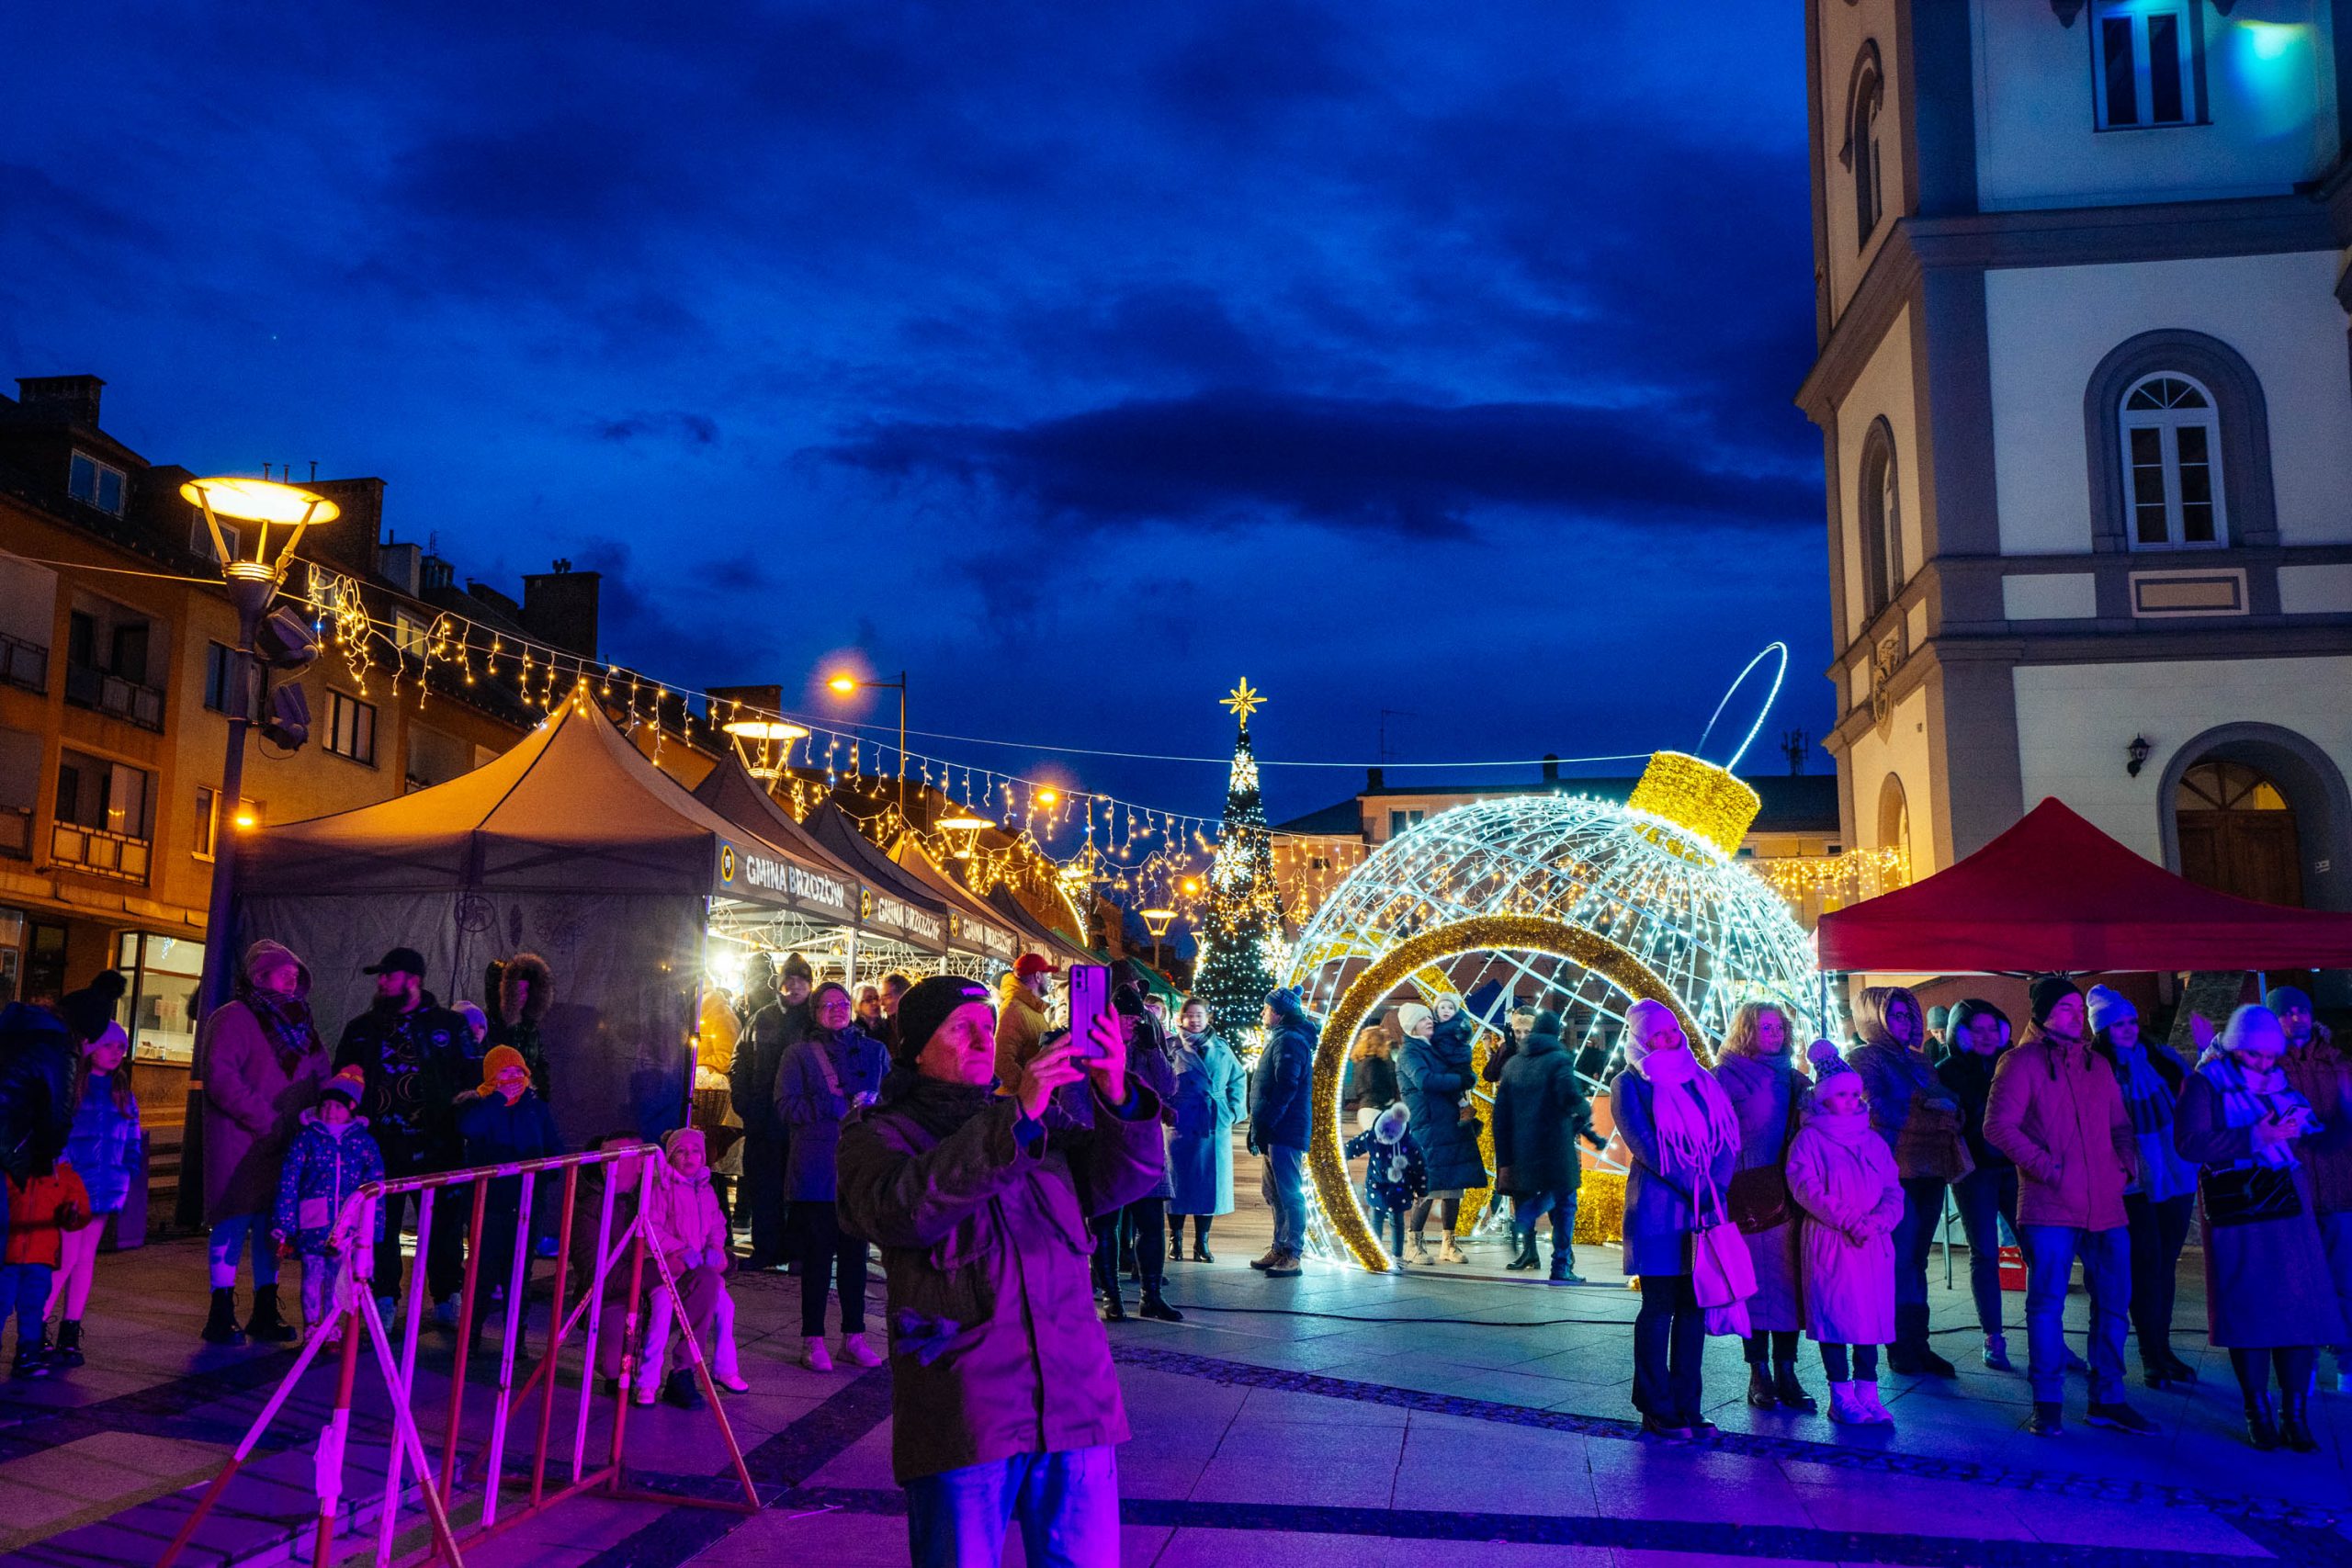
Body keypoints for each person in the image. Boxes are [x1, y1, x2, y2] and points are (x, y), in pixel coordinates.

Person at [835, 974, 1164, 1567]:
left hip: (1077, 1398)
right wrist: (1017, 1118)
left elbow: (1126, 1178)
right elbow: (902, 1209)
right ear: (914, 1047)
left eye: (987, 1027)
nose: (981, 1038)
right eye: (961, 1028)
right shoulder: (879, 1133)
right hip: (967, 1408)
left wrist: (1117, 1093)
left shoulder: (1036, 1123)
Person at [1984, 976, 2156, 1438]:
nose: (2074, 1015)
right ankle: (2048, 1400)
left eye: (2078, 1008)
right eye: (2064, 1007)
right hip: (2049, 1205)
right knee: (2046, 1304)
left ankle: (2108, 1397)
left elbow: (2119, 1123)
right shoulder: (2019, 1063)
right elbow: (1999, 1127)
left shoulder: (2094, 1064)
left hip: (2106, 1202)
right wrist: (2049, 1169)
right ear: (2041, 1013)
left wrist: (2125, 1163)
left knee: (2115, 1302)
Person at [2175, 1004, 2346, 1452]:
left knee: (2298, 1312)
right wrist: (2256, 1137)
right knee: (2248, 1313)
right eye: (2254, 1055)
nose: (2264, 1064)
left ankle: (2295, 1414)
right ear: (2235, 1046)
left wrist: (2335, 1120)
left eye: (2271, 1056)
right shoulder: (2204, 1084)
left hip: (2289, 1207)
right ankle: (2258, 1411)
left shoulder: (2280, 1082)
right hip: (2240, 1211)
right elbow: (2189, 1143)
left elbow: (2310, 1135)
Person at [1611, 998, 1739, 1441]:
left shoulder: (1702, 1080)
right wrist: (1695, 1185)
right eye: (1657, 1035)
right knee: (1660, 1306)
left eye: (1671, 1032)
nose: (1667, 1040)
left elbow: (1728, 1137)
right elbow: (1645, 1144)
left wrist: (1715, 1187)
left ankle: (1688, 1404)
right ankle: (1656, 1404)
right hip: (1658, 1211)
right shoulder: (1628, 1084)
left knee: (1693, 1308)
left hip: (1704, 1211)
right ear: (1641, 1041)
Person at [204, 940, 334, 1346]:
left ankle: (264, 1308)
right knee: (232, 1222)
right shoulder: (234, 1018)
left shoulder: (302, 1027)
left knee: (271, 1229)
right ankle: (221, 1309)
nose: (293, 978)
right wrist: (267, 1119)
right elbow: (221, 1076)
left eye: (297, 973)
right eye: (284, 972)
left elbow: (320, 1076)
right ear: (260, 976)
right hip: (241, 1142)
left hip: (286, 1145)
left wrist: (324, 1113)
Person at [334, 946, 471, 1328]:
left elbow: (472, 1075)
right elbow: (342, 1077)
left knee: (443, 1225)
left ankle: (447, 1296)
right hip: (381, 1145)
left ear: (413, 981)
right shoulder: (362, 1028)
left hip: (438, 1143)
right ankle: (384, 1298)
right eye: (379, 976)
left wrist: (463, 1111)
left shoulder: (448, 1025)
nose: (381, 982)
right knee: (381, 1225)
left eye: (388, 975)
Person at [1846, 985, 1965, 1378]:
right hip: (1892, 1172)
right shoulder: (1862, 1059)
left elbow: (1950, 1103)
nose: (1905, 1022)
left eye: (1907, 1015)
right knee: (1899, 1260)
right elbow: (1872, 1109)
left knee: (1916, 1260)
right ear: (1874, 1017)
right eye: (1895, 1015)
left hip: (1929, 1167)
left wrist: (1943, 1109)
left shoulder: (1920, 1061)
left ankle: (1919, 1341)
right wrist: (1929, 1109)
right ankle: (1899, 1344)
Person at [2086, 985, 2201, 1389]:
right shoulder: (2094, 1067)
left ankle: (2163, 1348)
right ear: (2102, 1030)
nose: (2128, 1029)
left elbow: (2194, 1096)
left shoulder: (2161, 1058)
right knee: (2145, 1264)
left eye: (2131, 1021)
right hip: (2130, 1180)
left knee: (2165, 1263)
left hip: (2173, 1171)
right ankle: (2151, 1354)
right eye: (2117, 1024)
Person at [1787, 1041, 1902, 1425]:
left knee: (1869, 1318)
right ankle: (1840, 1394)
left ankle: (1868, 1392)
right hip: (1833, 1242)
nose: (1851, 1100)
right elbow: (1806, 1187)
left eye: (1855, 1093)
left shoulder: (1872, 1140)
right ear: (1824, 1100)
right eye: (1842, 1095)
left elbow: (1891, 1188)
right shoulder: (1811, 1140)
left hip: (1871, 1242)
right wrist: (1849, 1219)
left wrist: (1879, 1220)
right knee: (1837, 1317)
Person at [777, 980, 888, 1369]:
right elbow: (786, 1108)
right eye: (827, 1005)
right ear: (815, 1012)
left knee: (856, 1259)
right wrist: (834, 1104)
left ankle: (853, 1337)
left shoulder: (875, 1052)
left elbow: (891, 1105)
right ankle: (813, 1339)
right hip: (816, 1172)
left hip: (859, 1172)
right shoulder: (798, 1055)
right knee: (818, 1259)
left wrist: (875, 1107)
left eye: (842, 1003)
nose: (837, 1010)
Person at [1712, 1001, 1813, 1409]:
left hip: (1789, 1195)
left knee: (1789, 1288)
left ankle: (1787, 1370)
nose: (1774, 1033)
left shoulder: (1794, 1078)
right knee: (1751, 1287)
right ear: (1746, 1030)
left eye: (1779, 1027)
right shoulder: (1725, 1076)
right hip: (1747, 1195)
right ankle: (1759, 1372)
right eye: (1765, 1026)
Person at [454, 1044, 563, 1354]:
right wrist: (498, 1099)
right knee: (482, 1271)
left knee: (519, 1274)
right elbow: (470, 1130)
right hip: (488, 1204)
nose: (513, 1077)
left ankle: (516, 1341)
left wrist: (546, 1171)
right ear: (491, 1075)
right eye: (505, 1071)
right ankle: (469, 1337)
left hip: (528, 1204)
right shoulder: (479, 1106)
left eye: (518, 1071)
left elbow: (554, 1146)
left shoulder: (536, 1108)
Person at [2270, 984, 2352, 1393]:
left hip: (2339, 1187)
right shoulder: (2264, 1066)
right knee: (2295, 1280)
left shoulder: (2337, 1063)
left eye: (2301, 1010)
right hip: (2292, 1190)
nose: (2295, 1018)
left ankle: (2347, 1361)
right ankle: (2302, 1362)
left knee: (2345, 1278)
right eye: (2286, 1012)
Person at [46, 1021, 141, 1369]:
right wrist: (65, 1171)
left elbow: (132, 1134)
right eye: (110, 1045)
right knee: (66, 1259)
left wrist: (126, 1168)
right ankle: (37, 1327)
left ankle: (70, 1329)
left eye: (121, 1047)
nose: (118, 1052)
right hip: (73, 1189)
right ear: (90, 1048)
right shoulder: (73, 1090)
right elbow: (59, 1134)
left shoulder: (121, 1092)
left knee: (84, 1258)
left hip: (104, 1189)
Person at [635, 1127, 750, 1406]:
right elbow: (652, 1226)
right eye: (682, 1152)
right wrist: (679, 1249)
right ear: (671, 1156)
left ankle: (724, 1368)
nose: (689, 1157)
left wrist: (715, 1248)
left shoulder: (706, 1189)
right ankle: (647, 1380)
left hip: (699, 1266)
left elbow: (717, 1224)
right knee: (662, 1313)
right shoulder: (661, 1187)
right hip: (667, 1267)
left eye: (695, 1151)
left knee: (725, 1307)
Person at [270, 1066, 385, 1346]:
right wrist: (284, 1222)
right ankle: (312, 1324)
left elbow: (375, 1185)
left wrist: (374, 1226)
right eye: (327, 1105)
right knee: (312, 1273)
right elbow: (289, 1180)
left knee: (337, 1276)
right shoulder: (306, 1139)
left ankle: (332, 1325)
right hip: (313, 1220)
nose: (331, 1112)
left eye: (338, 1106)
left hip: (347, 1222)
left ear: (351, 1109)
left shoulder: (363, 1143)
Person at [1494, 1008, 1605, 1284]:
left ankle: (1529, 1217)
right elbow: (1569, 1097)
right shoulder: (1559, 1060)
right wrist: (1584, 1109)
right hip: (1556, 1146)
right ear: (1555, 1032)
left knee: (1558, 1196)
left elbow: (1501, 1115)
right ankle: (1560, 1265)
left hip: (1523, 1148)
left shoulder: (1513, 1065)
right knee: (1566, 1201)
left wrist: (1505, 1158)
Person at [1937, 998, 2020, 1369]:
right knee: (1984, 1252)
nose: (1987, 1036)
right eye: (1978, 1030)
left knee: (2037, 1246)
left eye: (1993, 1029)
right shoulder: (1947, 1071)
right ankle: (1993, 1336)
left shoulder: (2015, 1064)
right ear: (1963, 1034)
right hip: (1973, 1172)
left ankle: (2048, 1335)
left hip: (2016, 1168)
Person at [1095, 977, 1182, 1322]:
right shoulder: (1098, 1042)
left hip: (1146, 1143)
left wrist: (1152, 1050)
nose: (1133, 1021)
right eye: (1126, 1016)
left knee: (1151, 1222)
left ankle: (1152, 1296)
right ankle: (1112, 1298)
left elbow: (1168, 1086)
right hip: (1109, 1143)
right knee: (1106, 1224)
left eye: (1136, 1017)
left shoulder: (1150, 1040)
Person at [729, 952, 814, 1270]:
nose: (794, 987)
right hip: (763, 1119)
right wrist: (744, 1102)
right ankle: (765, 1249)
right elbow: (740, 1059)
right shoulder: (761, 1017)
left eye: (801, 981)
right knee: (763, 1187)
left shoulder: (813, 1022)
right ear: (779, 985)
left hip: (799, 1123)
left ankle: (795, 1254)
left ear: (809, 984)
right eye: (788, 981)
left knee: (797, 1191)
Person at [1397, 999, 1485, 1265]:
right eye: (1425, 1019)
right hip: (1427, 1126)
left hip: (1449, 1123)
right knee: (1428, 1186)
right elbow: (1425, 1081)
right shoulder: (1410, 1053)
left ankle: (1449, 1242)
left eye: (1430, 1018)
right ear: (1413, 1026)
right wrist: (1461, 1079)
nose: (1430, 1022)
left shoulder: (1434, 1049)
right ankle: (1414, 1243)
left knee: (1453, 1186)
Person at [1165, 997, 1246, 1263]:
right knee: (1177, 1185)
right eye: (1190, 1015)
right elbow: (1158, 1082)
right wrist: (1165, 1110)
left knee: (1208, 1186)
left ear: (1208, 1017)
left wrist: (1233, 1111)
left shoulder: (1222, 1048)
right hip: (1181, 1123)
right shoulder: (1170, 1048)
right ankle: (1175, 1241)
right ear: (1182, 1018)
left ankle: (1202, 1242)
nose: (1195, 1020)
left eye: (1200, 1015)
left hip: (1213, 1123)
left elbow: (1238, 1078)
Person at [1249, 987, 1317, 1279]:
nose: (1263, 1014)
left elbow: (1285, 1086)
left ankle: (1293, 1253)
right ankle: (1279, 1247)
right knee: (1273, 1193)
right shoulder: (1282, 1038)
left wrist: (1269, 1123)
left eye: (1266, 1009)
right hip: (1273, 1130)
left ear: (1278, 1013)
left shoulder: (1290, 1040)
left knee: (1289, 1193)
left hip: (1284, 1131)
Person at [4, 1152, 88, 1378]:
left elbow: (80, 1210)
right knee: (3, 1304)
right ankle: (27, 1355)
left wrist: (73, 1214)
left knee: (32, 1307)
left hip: (40, 1256)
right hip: (8, 1256)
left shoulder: (63, 1175)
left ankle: (28, 1355)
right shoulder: (11, 1172)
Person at [1344, 1102, 1426, 1263]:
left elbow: (1420, 1168)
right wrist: (1342, 1153)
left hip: (1399, 1190)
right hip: (1377, 1185)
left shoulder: (1409, 1145)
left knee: (1396, 1220)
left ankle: (1397, 1255)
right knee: (1376, 1217)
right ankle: (1376, 1251)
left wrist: (1422, 1190)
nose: (1382, 1139)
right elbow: (1355, 1146)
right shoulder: (1372, 1137)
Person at [488, 952, 554, 1098]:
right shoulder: (490, 1025)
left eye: (525, 990)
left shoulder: (530, 1028)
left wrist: (541, 1094)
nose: (522, 996)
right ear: (506, 992)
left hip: (527, 1102)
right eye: (517, 990)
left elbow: (540, 1064)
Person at [997, 954, 1057, 1071]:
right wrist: (1027, 1086)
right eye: (1047, 975)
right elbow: (1001, 1061)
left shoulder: (1033, 1008)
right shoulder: (1013, 1009)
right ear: (1038, 976)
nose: (1049, 980)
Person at [1343, 1024, 1398, 1124]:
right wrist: (1389, 1099)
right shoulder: (1376, 1062)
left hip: (1366, 1107)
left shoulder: (1361, 1061)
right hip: (1376, 1108)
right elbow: (1375, 1085)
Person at [1482, 1007, 1536, 1085]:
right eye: (1517, 1031)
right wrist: (1508, 1052)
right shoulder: (1507, 1047)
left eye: (1527, 1032)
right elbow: (1489, 1075)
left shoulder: (1542, 1051)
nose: (1522, 1037)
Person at [876, 971, 911, 1053]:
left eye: (886, 996)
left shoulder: (922, 1024)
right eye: (880, 998)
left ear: (903, 994)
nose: (881, 1003)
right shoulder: (884, 1027)